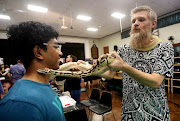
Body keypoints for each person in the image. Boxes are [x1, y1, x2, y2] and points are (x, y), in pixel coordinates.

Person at [102, 6, 174, 121]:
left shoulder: (165, 48)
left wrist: (124, 67)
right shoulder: (124, 49)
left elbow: (155, 82)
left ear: (153, 24)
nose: (135, 23)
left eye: (141, 20)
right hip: (129, 113)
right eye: (133, 21)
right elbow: (109, 74)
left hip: (156, 114)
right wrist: (87, 69)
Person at [0, 21, 66, 121]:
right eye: (56, 47)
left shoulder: (43, 84)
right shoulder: (20, 104)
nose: (60, 53)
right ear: (38, 52)